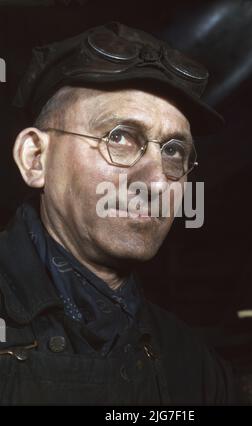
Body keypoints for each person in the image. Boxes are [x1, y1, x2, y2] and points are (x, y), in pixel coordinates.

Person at [0, 22, 235, 405]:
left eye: (174, 151)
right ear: (36, 158)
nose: (157, 184)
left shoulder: (192, 363)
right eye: (120, 137)